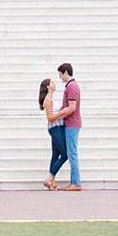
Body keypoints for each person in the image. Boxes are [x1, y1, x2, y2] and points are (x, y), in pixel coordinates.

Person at [51, 62, 82, 191]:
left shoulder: (72, 86)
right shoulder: (70, 86)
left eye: (60, 74)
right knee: (71, 153)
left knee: (72, 153)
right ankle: (74, 182)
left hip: (72, 124)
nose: (60, 78)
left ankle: (75, 183)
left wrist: (57, 115)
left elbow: (72, 107)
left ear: (65, 72)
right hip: (70, 123)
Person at [38, 77, 67, 190]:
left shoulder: (50, 98)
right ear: (48, 86)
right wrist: (62, 112)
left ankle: (51, 182)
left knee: (55, 155)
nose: (54, 84)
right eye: (52, 82)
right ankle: (49, 178)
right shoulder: (48, 99)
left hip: (57, 127)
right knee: (65, 154)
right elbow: (50, 117)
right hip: (55, 128)